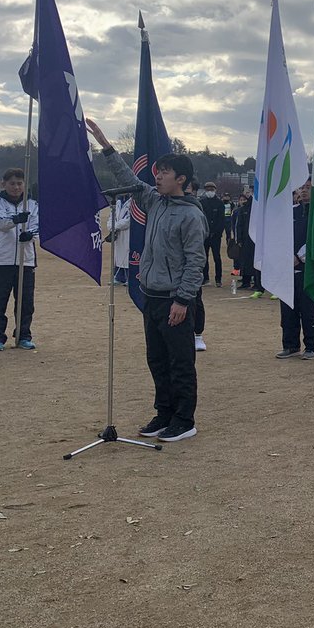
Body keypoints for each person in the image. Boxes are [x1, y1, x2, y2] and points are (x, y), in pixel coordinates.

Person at [88, 119, 207, 443]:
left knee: (180, 361)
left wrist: (183, 301)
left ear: (181, 179)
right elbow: (129, 179)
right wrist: (106, 145)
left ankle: (184, 419)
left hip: (174, 300)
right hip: (151, 296)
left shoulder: (191, 215)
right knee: (156, 359)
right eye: (157, 171)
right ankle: (164, 413)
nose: (158, 176)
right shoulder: (155, 201)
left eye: (165, 172)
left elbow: (196, 262)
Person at [0, 168, 39, 351]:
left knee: (25, 301)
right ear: (4, 184)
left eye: (19, 183)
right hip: (2, 259)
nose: (16, 187)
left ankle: (24, 335)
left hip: (26, 259)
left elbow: (37, 226)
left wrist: (30, 235)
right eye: (12, 183)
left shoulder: (32, 204)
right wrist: (16, 220)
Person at [279, 182, 314, 359]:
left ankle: (312, 346)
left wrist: (299, 257)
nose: (304, 191)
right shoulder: (291, 212)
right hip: (288, 269)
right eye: (302, 188)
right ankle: (290, 345)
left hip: (308, 269)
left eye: (308, 188)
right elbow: (281, 234)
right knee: (288, 308)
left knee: (308, 309)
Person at [184, 180, 209, 351]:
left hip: (190, 265)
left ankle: (198, 334)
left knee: (195, 301)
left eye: (188, 188)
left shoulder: (195, 209)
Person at [199, 181, 226, 288]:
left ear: (215, 190)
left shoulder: (220, 203)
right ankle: (205, 278)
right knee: (204, 257)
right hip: (204, 235)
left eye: (211, 189)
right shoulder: (201, 202)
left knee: (217, 257)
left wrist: (216, 232)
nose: (209, 191)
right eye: (207, 189)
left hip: (216, 236)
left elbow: (221, 220)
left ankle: (218, 279)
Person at [106, 195, 131, 285]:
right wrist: (110, 226)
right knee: (118, 255)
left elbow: (129, 220)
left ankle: (129, 277)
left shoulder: (133, 202)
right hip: (118, 233)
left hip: (127, 232)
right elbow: (111, 216)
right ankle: (119, 277)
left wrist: (115, 226)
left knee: (127, 254)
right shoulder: (117, 202)